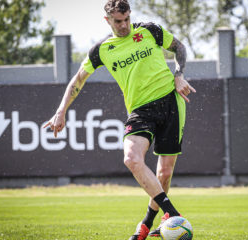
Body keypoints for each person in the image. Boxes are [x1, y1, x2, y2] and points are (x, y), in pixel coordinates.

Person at [44, 0, 196, 239]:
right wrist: (61, 111)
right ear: (108, 20)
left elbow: (180, 48)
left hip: (170, 102)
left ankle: (146, 224)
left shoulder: (150, 30)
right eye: (118, 21)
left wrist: (179, 75)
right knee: (131, 158)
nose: (124, 25)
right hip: (140, 111)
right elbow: (78, 79)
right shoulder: (102, 49)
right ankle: (173, 215)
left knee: (164, 173)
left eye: (126, 19)